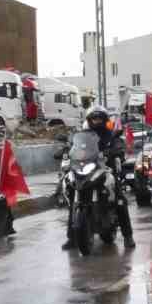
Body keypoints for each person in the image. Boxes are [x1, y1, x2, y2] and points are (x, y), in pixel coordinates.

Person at [62, 104, 135, 249]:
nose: (96, 121)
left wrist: (116, 150)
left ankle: (128, 236)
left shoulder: (110, 135)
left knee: (119, 199)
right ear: (89, 120)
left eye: (99, 118)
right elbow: (74, 147)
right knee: (73, 197)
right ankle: (72, 238)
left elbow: (118, 145)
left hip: (106, 169)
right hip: (85, 169)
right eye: (94, 118)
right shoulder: (83, 135)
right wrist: (66, 150)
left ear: (104, 119)